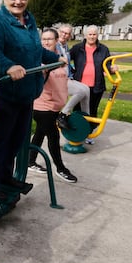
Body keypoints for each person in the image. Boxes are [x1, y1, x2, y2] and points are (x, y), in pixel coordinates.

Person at [0, 0, 63, 201]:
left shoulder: (29, 19)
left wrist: (54, 57)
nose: (18, 1)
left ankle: (5, 177)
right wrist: (8, 67)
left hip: (26, 93)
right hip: (3, 91)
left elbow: (34, 50)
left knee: (16, 139)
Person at [26, 28, 77, 182]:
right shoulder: (39, 60)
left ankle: (30, 161)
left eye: (49, 39)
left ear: (56, 40)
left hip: (55, 106)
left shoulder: (60, 58)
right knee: (53, 136)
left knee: (40, 133)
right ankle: (61, 168)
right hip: (42, 106)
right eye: (44, 39)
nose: (46, 42)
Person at [69, 25, 114, 143]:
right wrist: (72, 72)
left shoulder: (103, 49)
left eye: (94, 34)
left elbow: (107, 65)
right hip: (80, 86)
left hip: (96, 86)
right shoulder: (77, 48)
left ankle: (88, 134)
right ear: (85, 35)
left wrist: (112, 69)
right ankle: (75, 133)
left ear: (97, 35)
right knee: (78, 110)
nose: (92, 36)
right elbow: (66, 60)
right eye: (90, 34)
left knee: (92, 111)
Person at [53, 23, 90, 128]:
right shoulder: (54, 46)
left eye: (67, 34)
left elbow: (68, 64)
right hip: (58, 79)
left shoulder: (65, 47)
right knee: (80, 91)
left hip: (67, 77)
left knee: (86, 89)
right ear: (58, 32)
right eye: (62, 32)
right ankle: (63, 114)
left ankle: (86, 117)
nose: (64, 35)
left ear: (69, 36)